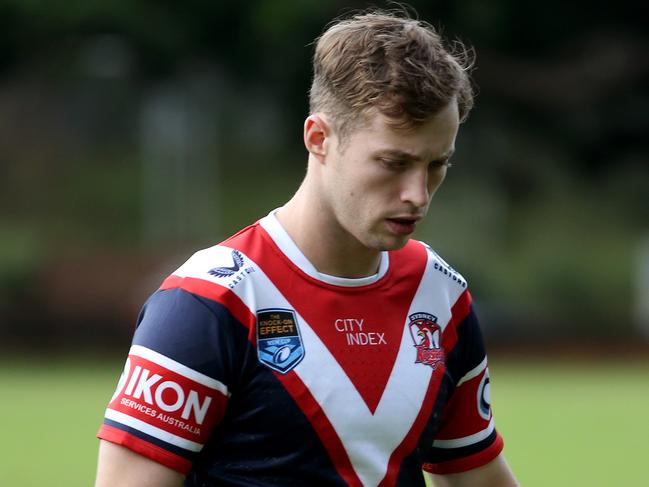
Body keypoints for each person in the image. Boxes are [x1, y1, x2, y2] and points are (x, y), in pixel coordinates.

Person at [95, 8, 518, 487]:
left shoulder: (439, 295)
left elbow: (474, 475)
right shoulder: (209, 303)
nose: (417, 194)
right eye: (392, 162)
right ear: (319, 138)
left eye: (437, 164)